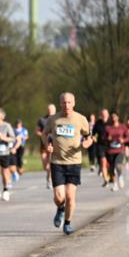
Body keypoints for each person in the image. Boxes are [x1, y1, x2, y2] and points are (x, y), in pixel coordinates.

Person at [44, 92, 93, 235]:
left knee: (70, 197)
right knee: (59, 196)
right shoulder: (53, 119)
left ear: (74, 103)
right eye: (64, 102)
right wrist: (48, 144)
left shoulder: (80, 119)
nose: (67, 105)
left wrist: (87, 143)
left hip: (74, 162)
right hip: (57, 162)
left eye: (69, 102)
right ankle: (60, 208)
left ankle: (67, 223)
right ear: (60, 104)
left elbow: (89, 136)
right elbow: (45, 134)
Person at [103, 112, 129, 191]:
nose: (113, 118)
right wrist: (107, 138)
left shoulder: (122, 127)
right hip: (111, 150)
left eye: (115, 116)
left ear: (118, 117)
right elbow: (103, 138)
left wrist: (123, 140)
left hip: (120, 150)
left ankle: (120, 176)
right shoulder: (108, 128)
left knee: (118, 166)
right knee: (112, 168)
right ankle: (115, 184)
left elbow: (128, 137)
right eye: (112, 117)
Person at [35, 103, 56, 188]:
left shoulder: (58, 119)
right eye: (49, 109)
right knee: (45, 166)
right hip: (44, 144)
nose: (50, 111)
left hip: (54, 144)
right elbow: (37, 131)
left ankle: (49, 181)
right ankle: (48, 175)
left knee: (50, 163)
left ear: (54, 110)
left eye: (52, 109)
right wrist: (43, 135)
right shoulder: (42, 120)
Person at [93, 109, 111, 185]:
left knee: (109, 163)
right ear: (101, 115)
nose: (104, 116)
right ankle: (105, 179)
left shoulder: (111, 123)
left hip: (110, 145)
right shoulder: (98, 123)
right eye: (103, 114)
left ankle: (109, 175)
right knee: (103, 162)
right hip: (101, 145)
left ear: (108, 115)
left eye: (105, 114)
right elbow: (93, 133)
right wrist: (93, 138)